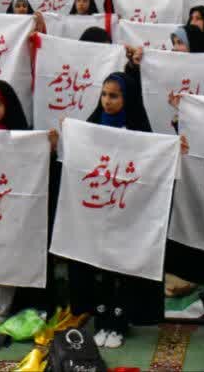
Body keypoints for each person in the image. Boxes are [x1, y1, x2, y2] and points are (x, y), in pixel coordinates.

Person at [67, 72, 163, 348]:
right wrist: (68, 135)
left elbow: (153, 163)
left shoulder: (138, 131)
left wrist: (172, 150)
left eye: (114, 96)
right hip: (97, 211)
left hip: (127, 211)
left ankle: (119, 324)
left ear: (127, 98)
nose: (107, 101)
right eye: (104, 95)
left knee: (123, 268)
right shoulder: (90, 129)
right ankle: (101, 321)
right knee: (100, 269)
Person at [0, 80, 53, 339]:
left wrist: (49, 146)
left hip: (10, 209)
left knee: (7, 261)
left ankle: (3, 313)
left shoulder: (20, 136)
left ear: (8, 106)